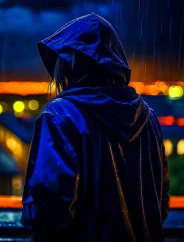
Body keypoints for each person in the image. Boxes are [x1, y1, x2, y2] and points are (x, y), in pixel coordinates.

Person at [21, 12, 170, 242]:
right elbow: (160, 206)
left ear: (69, 66)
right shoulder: (148, 119)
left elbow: (49, 212)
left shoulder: (60, 115)